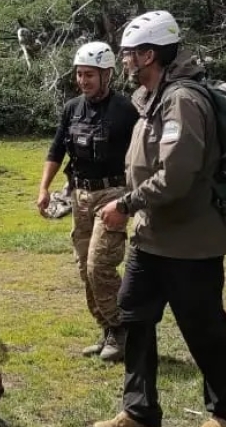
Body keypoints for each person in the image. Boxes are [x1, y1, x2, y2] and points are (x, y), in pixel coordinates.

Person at [92, 10, 226, 427]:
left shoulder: (182, 100)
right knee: (135, 315)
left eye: (128, 54)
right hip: (151, 238)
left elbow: (177, 176)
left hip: (189, 241)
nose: (123, 61)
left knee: (204, 329)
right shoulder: (153, 97)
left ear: (147, 55)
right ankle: (139, 411)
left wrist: (125, 205)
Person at [36, 41, 138, 362]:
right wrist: (44, 189)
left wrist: (133, 199)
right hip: (79, 196)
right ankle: (107, 329)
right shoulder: (72, 109)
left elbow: (142, 154)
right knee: (85, 269)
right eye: (79, 74)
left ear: (106, 74)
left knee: (100, 266)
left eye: (89, 75)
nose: (83, 80)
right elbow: (56, 150)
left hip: (113, 194)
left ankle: (124, 331)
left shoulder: (126, 109)